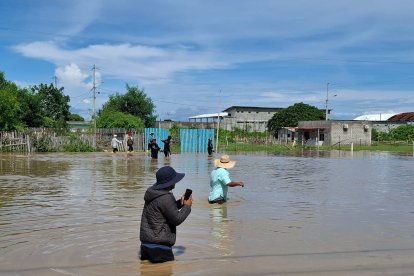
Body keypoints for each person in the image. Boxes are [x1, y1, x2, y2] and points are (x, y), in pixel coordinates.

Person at [140, 166, 192, 263]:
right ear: (170, 182)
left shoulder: (152, 193)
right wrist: (187, 206)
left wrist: (179, 204)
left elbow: (161, 210)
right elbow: (177, 219)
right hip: (160, 248)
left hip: (145, 245)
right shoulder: (166, 197)